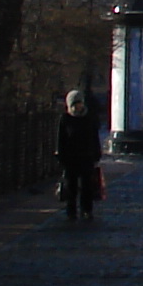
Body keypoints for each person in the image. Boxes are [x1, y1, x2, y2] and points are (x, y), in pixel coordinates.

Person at [56, 89, 101, 224]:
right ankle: (71, 211)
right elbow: (61, 139)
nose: (78, 106)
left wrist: (96, 154)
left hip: (86, 157)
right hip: (71, 159)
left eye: (80, 103)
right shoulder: (65, 119)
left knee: (87, 186)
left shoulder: (88, 118)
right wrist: (61, 156)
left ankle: (87, 210)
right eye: (75, 104)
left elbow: (94, 137)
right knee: (71, 186)